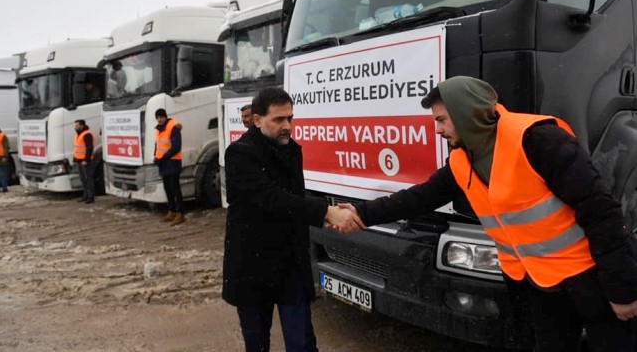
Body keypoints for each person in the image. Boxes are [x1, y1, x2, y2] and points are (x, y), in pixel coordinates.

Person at [334, 76, 637, 352]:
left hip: (587, 278)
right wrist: (362, 213)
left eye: (442, 120)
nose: (437, 129)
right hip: (538, 285)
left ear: (467, 114)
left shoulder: (538, 140)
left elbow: (600, 211)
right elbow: (419, 198)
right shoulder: (463, 159)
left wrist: (622, 288)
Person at [222, 87, 364, 352]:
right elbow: (270, 198)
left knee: (302, 343)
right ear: (257, 120)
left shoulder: (291, 149)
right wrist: (325, 211)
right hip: (253, 264)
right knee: (257, 343)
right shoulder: (239, 153)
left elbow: (293, 199)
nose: (287, 126)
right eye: (278, 120)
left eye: (290, 118)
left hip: (290, 264)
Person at [154, 108, 185, 226]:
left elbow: (176, 146)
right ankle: (172, 211)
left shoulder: (173, 127)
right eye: (157, 117)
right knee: (168, 188)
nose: (159, 119)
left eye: (161, 117)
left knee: (175, 188)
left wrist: (164, 157)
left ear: (165, 117)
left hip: (172, 161)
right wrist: (156, 156)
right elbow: (157, 144)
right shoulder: (158, 129)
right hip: (163, 162)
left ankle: (180, 213)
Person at [73, 119, 96, 203]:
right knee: (83, 179)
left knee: (88, 178)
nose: (75, 127)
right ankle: (85, 195)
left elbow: (89, 148)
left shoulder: (87, 135)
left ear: (81, 126)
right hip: (79, 160)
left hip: (86, 161)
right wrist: (74, 160)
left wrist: (86, 160)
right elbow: (76, 148)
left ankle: (91, 197)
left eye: (77, 125)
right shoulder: (77, 135)